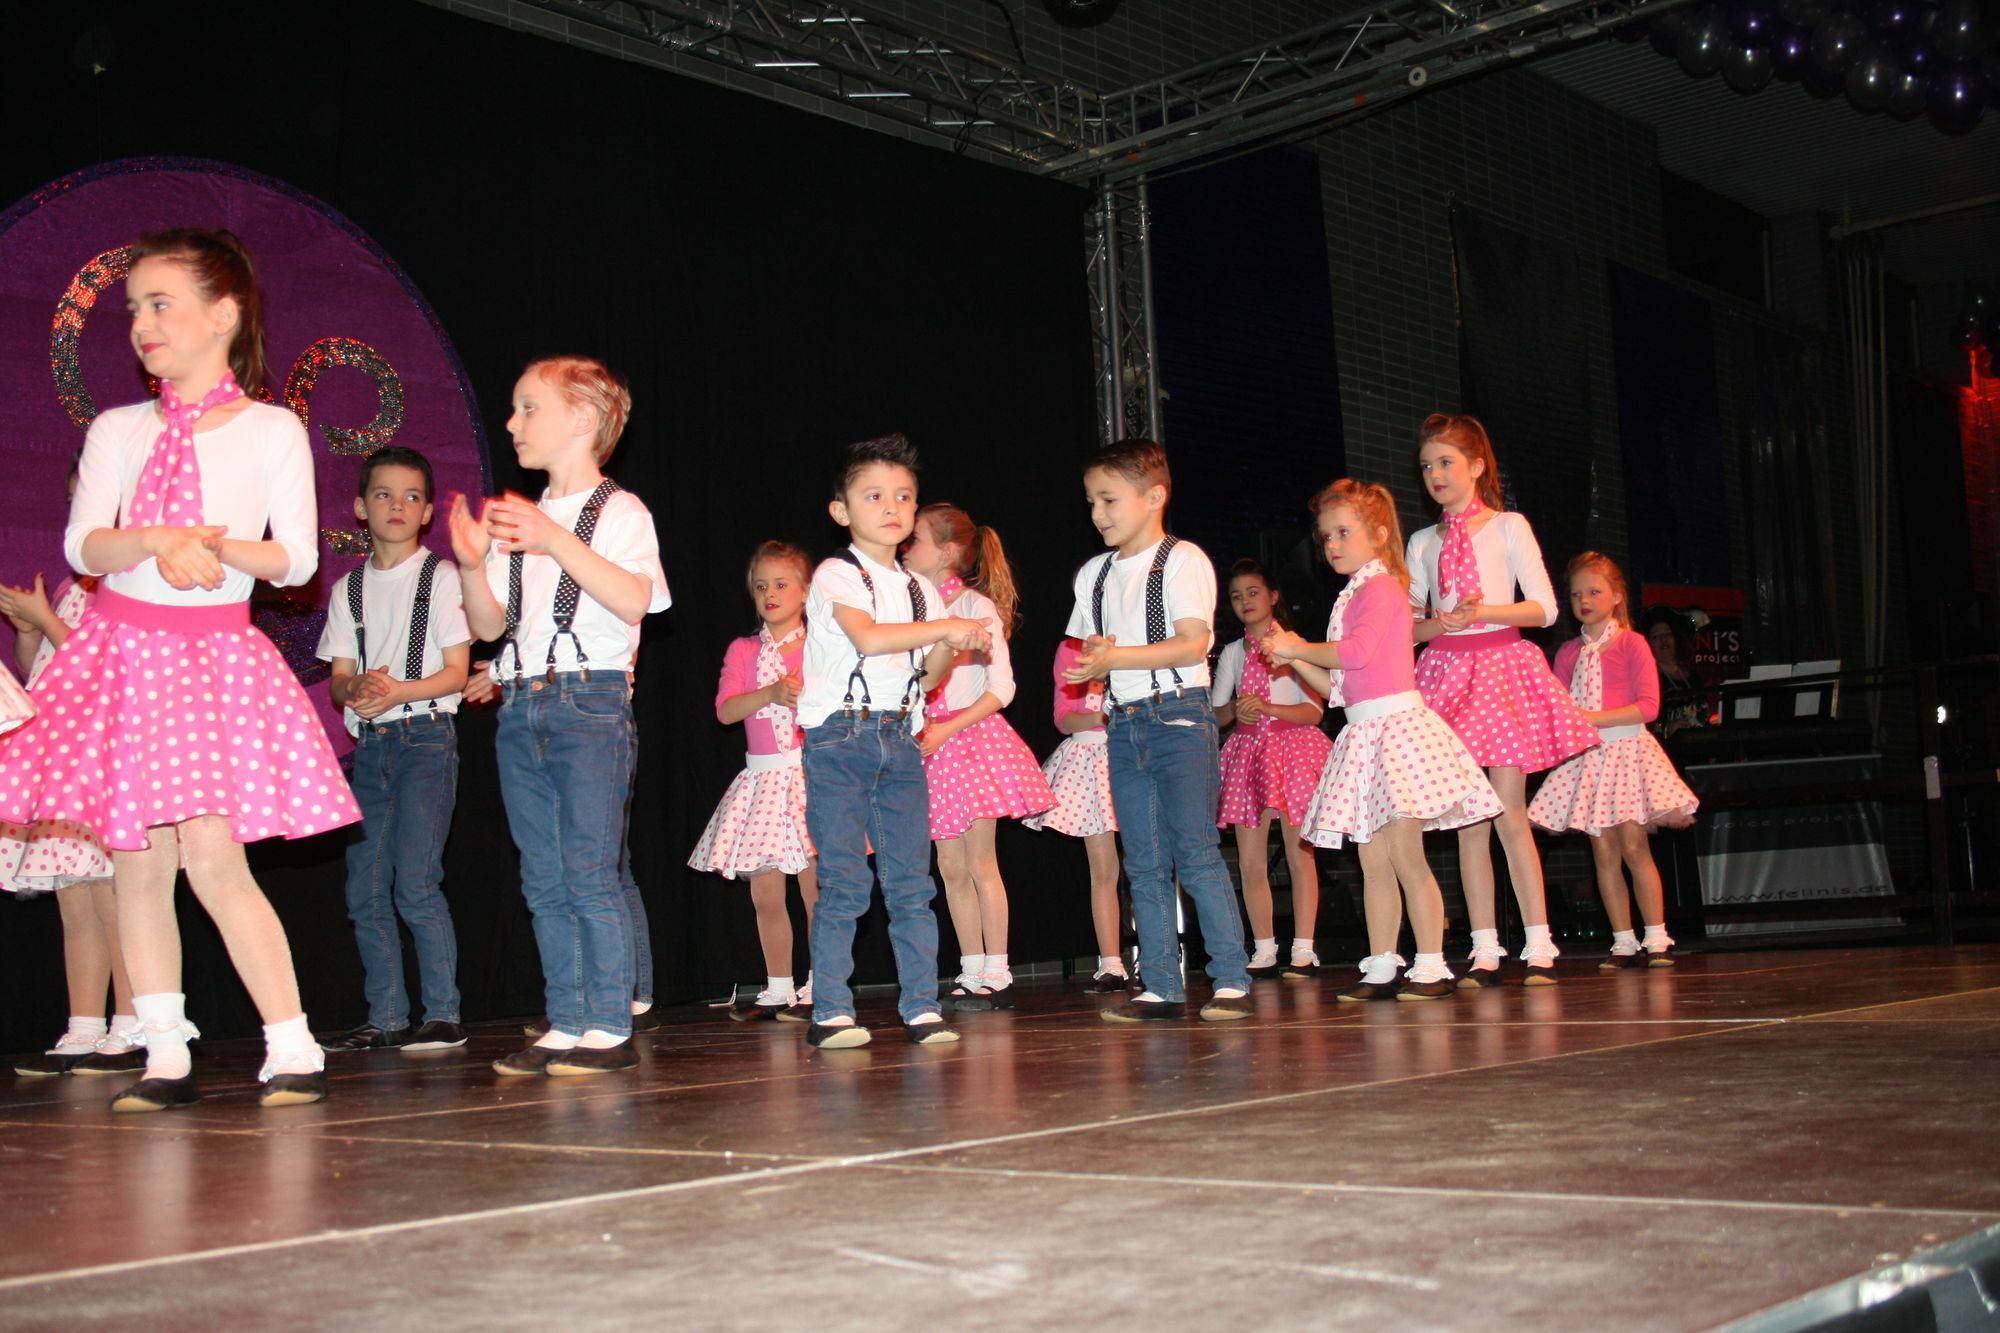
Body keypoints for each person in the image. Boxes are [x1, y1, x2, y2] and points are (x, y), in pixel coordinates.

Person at [0, 228, 359, 1111]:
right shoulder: (118, 428)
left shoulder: (271, 428)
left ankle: (292, 1042)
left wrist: (212, 546)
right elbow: (84, 542)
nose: (142, 324)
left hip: (208, 660)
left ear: (223, 314)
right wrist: (156, 540)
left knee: (213, 857)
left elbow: (297, 558)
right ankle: (164, 1050)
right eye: (134, 308)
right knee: (136, 862)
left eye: (161, 303)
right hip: (122, 657)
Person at [448, 356, 670, 1077]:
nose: (511, 422)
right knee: (542, 877)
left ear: (582, 418)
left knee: (590, 870)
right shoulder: (520, 521)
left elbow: (634, 599)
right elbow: (489, 626)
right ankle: (567, 1019)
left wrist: (552, 537)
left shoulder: (620, 511)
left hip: (589, 703)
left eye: (528, 407)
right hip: (522, 704)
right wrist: (472, 563)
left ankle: (608, 1021)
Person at [1266, 480, 1500, 1001]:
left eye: (1343, 532)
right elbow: (1338, 688)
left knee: (1405, 854)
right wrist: (1294, 658)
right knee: (1372, 861)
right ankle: (1382, 964)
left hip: (1396, 732)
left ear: (1377, 534)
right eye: (1326, 536)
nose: (1332, 544)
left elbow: (1356, 652)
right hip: (1364, 732)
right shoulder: (1352, 594)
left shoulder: (1382, 588)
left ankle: (1432, 964)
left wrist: (1299, 645)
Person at [794, 434, 991, 1049]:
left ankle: (922, 1007)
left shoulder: (920, 589)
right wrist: (947, 626)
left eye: (903, 497)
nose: (892, 507)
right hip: (841, 738)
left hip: (900, 736)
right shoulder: (836, 574)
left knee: (911, 883)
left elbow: (926, 678)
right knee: (845, 880)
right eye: (874, 496)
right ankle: (831, 1009)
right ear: (841, 510)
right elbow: (869, 638)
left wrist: (951, 644)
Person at [1065, 439, 1253, 1023]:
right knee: (1143, 861)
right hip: (1124, 723)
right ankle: (1162, 985)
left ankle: (1231, 978)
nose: (1098, 513)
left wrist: (1113, 658)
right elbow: (1094, 646)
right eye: (1091, 501)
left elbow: (1193, 643)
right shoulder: (1093, 574)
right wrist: (1094, 663)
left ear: (1153, 497)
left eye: (1109, 499)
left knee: (1194, 851)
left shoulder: (1181, 559)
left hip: (1178, 717)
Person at [1407, 414, 1599, 986]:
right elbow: (1408, 625)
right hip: (1445, 675)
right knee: (1469, 821)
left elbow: (1545, 608)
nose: (1435, 474)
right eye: (1427, 465)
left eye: (1446, 462)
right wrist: (1438, 622)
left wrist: (1482, 611)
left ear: (1476, 466)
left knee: (1509, 811)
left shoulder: (1508, 526)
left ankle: (1539, 942)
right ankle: (1484, 947)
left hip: (1499, 670)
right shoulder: (1422, 542)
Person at [315, 446, 471, 1054]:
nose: (397, 506)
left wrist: (398, 689)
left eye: (411, 496)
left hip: (425, 738)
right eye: (383, 494)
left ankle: (443, 1014)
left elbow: (457, 671)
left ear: (428, 511)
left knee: (416, 882)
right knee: (365, 889)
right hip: (374, 747)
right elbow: (338, 680)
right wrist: (357, 687)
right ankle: (385, 1017)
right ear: (361, 507)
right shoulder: (348, 589)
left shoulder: (442, 578)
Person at [902, 503, 1053, 1010]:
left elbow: (1002, 687)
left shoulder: (974, 607)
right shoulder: (911, 612)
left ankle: (998, 970)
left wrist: (948, 727)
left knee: (980, 859)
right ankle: (970, 968)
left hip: (970, 741)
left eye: (916, 539)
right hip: (931, 747)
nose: (906, 548)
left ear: (946, 551)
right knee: (948, 864)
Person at [1530, 553, 1699, 968]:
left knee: (1634, 846)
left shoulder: (1631, 643)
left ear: (1617, 596)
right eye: (1576, 595)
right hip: (1590, 758)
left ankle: (1656, 936)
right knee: (1603, 852)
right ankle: (1623, 940)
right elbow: (1559, 705)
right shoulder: (1568, 652)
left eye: (1594, 592)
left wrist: (1593, 717)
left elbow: (1649, 706)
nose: (1584, 601)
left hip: (1626, 751)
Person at [2, 554, 136, 1076]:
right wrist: (30, 631)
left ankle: (132, 1025)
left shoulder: (129, 587)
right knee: (75, 900)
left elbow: (103, 668)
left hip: (103, 754)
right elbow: (36, 669)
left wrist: (46, 619)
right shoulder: (69, 588)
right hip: (59, 755)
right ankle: (85, 1026)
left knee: (114, 899)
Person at [690, 540, 820, 1021]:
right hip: (762, 781)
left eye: (781, 584)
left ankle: (822, 983)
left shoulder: (820, 646)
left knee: (816, 892)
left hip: (808, 777)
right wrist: (770, 692)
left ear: (805, 591)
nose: (771, 594)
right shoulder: (744, 650)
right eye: (762, 586)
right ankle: (779, 985)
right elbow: (726, 711)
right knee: (765, 893)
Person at [1212, 558, 1330, 980]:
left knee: (1300, 854)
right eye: (1236, 596)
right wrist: (1236, 711)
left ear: (1273, 596)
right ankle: (1263, 948)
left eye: (1253, 592)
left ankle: (1304, 948)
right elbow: (1216, 713)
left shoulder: (1294, 645)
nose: (1245, 601)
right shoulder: (1232, 653)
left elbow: (1315, 710)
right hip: (1248, 753)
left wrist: (1268, 708)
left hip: (1293, 750)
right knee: (1250, 860)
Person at [1024, 637, 1129, 991]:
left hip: (1131, 752)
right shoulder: (1070, 649)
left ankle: (1159, 958)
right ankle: (1111, 963)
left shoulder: (1128, 637)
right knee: (1103, 869)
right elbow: (1064, 718)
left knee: (1147, 862)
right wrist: (1099, 716)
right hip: (1091, 759)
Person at [1642, 606, 1708, 739]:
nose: (1663, 640)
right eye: (1656, 636)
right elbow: (1642, 724)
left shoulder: (1695, 678)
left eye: (1668, 634)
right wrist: (1667, 729)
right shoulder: (1646, 680)